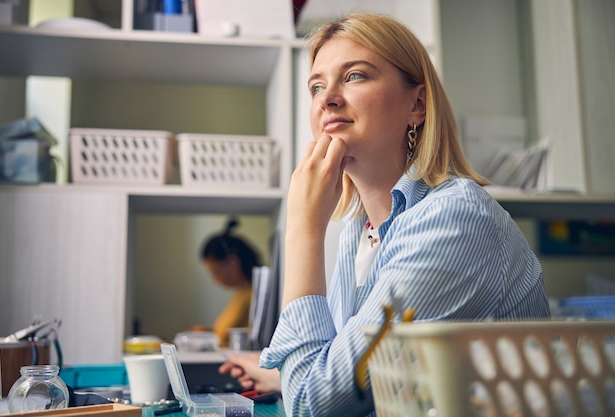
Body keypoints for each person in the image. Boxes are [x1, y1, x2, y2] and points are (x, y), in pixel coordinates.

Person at [219, 13, 550, 416]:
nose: (327, 99)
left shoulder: (454, 220)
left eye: (355, 76)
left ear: (417, 104)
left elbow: (315, 405)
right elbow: (342, 370)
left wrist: (302, 228)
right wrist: (280, 374)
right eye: (316, 86)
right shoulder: (359, 231)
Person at [191, 218, 262, 348]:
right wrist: (209, 333)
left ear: (233, 262)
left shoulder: (255, 296)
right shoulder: (242, 293)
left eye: (216, 272)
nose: (215, 279)